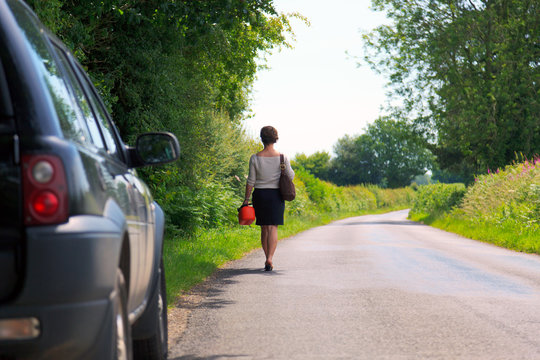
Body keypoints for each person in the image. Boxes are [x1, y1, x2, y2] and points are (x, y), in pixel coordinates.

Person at [243, 126, 294, 271]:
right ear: (275, 138)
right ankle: (270, 258)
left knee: (264, 228)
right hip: (276, 195)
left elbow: (250, 181)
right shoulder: (282, 157)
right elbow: (291, 176)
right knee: (273, 227)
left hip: (260, 194)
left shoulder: (255, 158)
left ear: (262, 139)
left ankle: (267, 258)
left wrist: (246, 199)